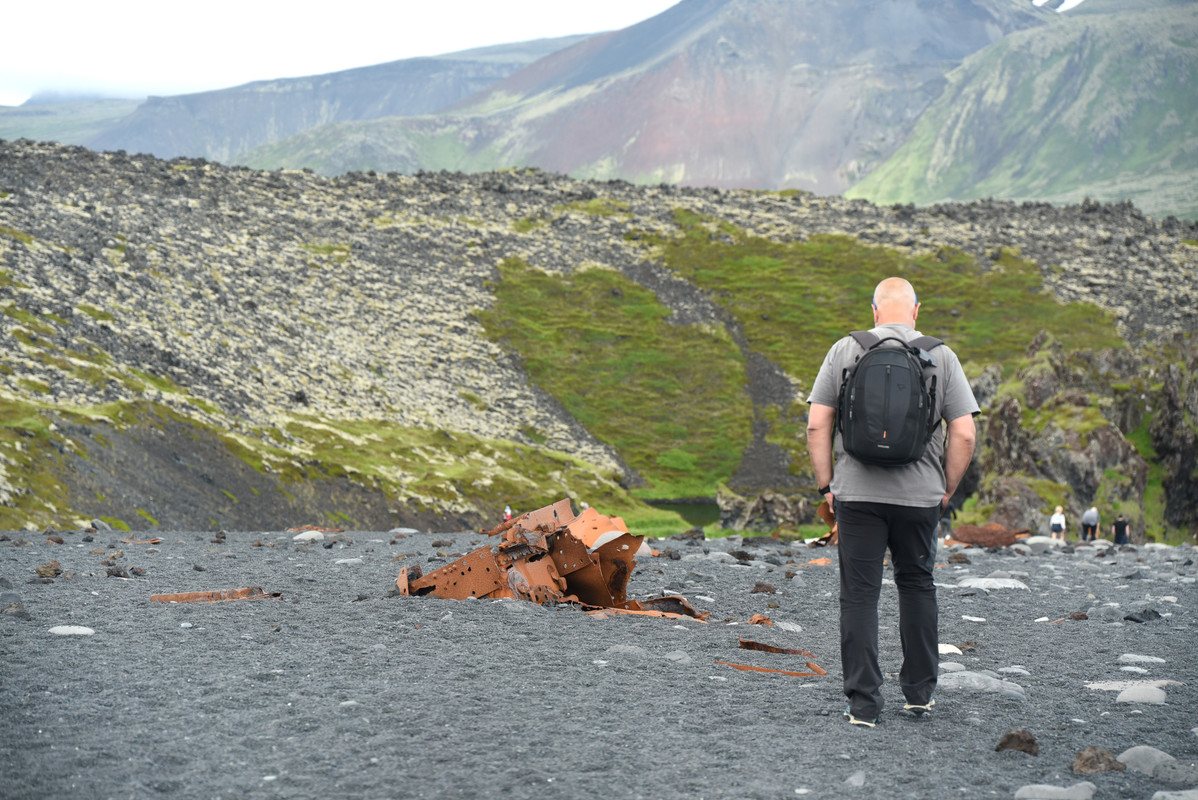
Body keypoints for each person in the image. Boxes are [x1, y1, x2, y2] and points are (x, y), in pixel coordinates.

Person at [807, 277, 979, 728]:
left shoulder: (845, 350)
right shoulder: (942, 356)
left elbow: (816, 424)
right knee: (917, 584)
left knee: (859, 595)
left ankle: (864, 704)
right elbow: (964, 433)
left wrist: (827, 486)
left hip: (857, 495)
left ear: (874, 310)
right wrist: (946, 489)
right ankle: (919, 694)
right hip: (920, 497)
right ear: (917, 311)